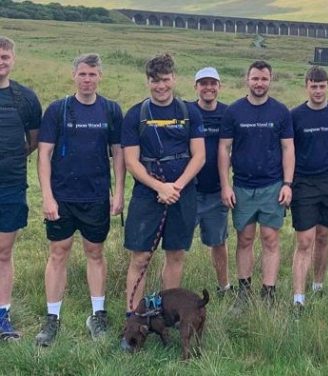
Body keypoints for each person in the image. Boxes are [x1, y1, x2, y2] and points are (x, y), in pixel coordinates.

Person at [35, 54, 125, 346]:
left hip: (96, 195)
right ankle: (52, 318)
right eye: (83, 74)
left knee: (95, 252)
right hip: (62, 197)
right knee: (58, 253)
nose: (88, 80)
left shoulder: (111, 110)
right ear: (74, 76)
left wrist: (119, 192)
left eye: (93, 74)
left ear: (101, 77)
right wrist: (48, 196)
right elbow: (44, 154)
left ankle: (98, 314)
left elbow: (118, 154)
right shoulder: (58, 109)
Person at [121, 53, 205, 316]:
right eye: (155, 81)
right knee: (141, 257)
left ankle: (168, 312)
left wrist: (175, 187)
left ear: (174, 79)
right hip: (148, 195)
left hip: (183, 193)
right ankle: (134, 315)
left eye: (166, 80)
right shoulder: (135, 114)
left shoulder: (190, 112)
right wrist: (160, 187)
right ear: (147, 81)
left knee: (175, 254)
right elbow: (132, 162)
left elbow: (199, 155)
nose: (161, 86)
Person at [218, 60, 294, 313]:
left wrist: (287, 183)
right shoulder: (234, 111)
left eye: (264, 79)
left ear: (270, 80)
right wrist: (225, 185)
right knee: (245, 238)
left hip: (272, 185)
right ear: (246, 80)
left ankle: (269, 291)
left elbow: (288, 148)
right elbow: (223, 149)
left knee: (270, 239)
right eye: (255, 79)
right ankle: (244, 291)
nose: (259, 83)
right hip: (241, 186)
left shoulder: (281, 112)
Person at [290, 66, 328, 309]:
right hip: (303, 183)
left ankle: (318, 284)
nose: (317, 90)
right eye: (313, 86)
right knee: (305, 240)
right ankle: (298, 297)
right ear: (306, 86)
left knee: (324, 236)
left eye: (322, 86)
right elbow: (288, 150)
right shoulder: (295, 115)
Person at [0, 36, 42, 341]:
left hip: (11, 185)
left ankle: (2, 317)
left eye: (4, 56)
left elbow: (33, 142)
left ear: (13, 59)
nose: (0, 61)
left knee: (3, 252)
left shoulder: (25, 98)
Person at [192, 67, 232, 297]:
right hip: (189, 191)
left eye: (212, 83)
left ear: (219, 86)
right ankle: (170, 292)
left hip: (217, 190)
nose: (208, 88)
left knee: (219, 242)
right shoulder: (186, 111)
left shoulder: (228, 114)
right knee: (177, 245)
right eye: (203, 83)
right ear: (195, 86)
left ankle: (224, 287)